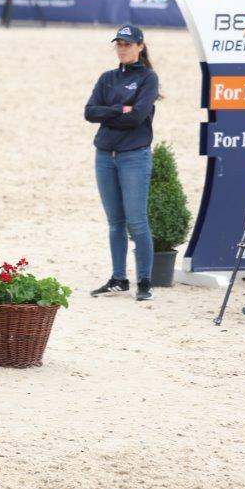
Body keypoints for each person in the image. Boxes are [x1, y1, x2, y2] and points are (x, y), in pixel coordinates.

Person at [85, 24, 159, 302]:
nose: (122, 48)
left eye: (127, 44)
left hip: (134, 156)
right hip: (105, 155)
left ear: (140, 46)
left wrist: (109, 114)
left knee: (137, 222)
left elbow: (137, 117)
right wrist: (119, 109)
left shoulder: (148, 78)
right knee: (115, 222)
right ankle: (118, 278)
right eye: (119, 44)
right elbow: (90, 112)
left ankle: (145, 281)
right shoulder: (107, 78)